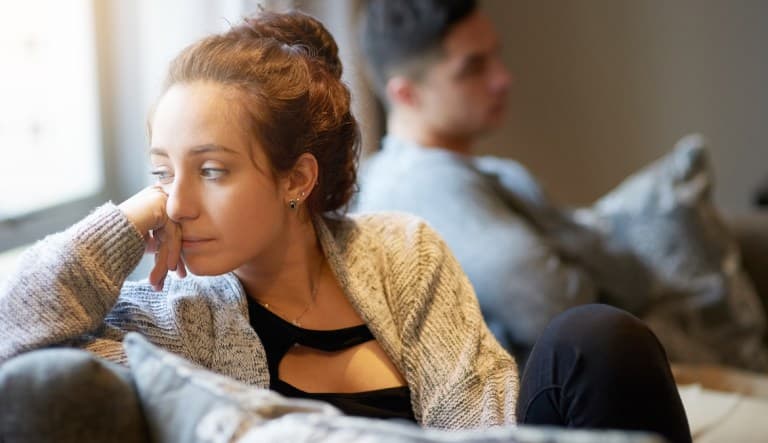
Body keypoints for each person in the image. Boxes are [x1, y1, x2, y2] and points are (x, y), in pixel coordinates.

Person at [0, 9, 690, 443]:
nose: (175, 203)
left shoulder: (402, 251)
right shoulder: (164, 307)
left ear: (296, 179)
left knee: (593, 339)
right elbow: (13, 338)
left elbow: (486, 423)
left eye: (210, 171)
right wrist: (124, 220)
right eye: (160, 172)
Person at [354, 0, 765, 370]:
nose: (503, 78)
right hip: (580, 397)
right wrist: (592, 260)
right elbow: (555, 307)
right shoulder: (419, 186)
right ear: (406, 95)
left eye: (497, 56)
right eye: (474, 68)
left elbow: (619, 277)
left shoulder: (490, 173)